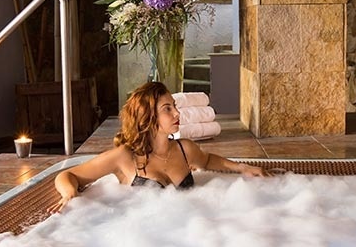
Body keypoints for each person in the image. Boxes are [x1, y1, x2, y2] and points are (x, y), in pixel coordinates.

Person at [52, 81, 269, 213]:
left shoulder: (185, 149)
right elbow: (67, 175)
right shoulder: (125, 157)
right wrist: (70, 194)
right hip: (145, 238)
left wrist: (241, 167)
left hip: (195, 230)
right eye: (167, 108)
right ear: (147, 116)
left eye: (174, 107)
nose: (177, 113)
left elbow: (207, 160)